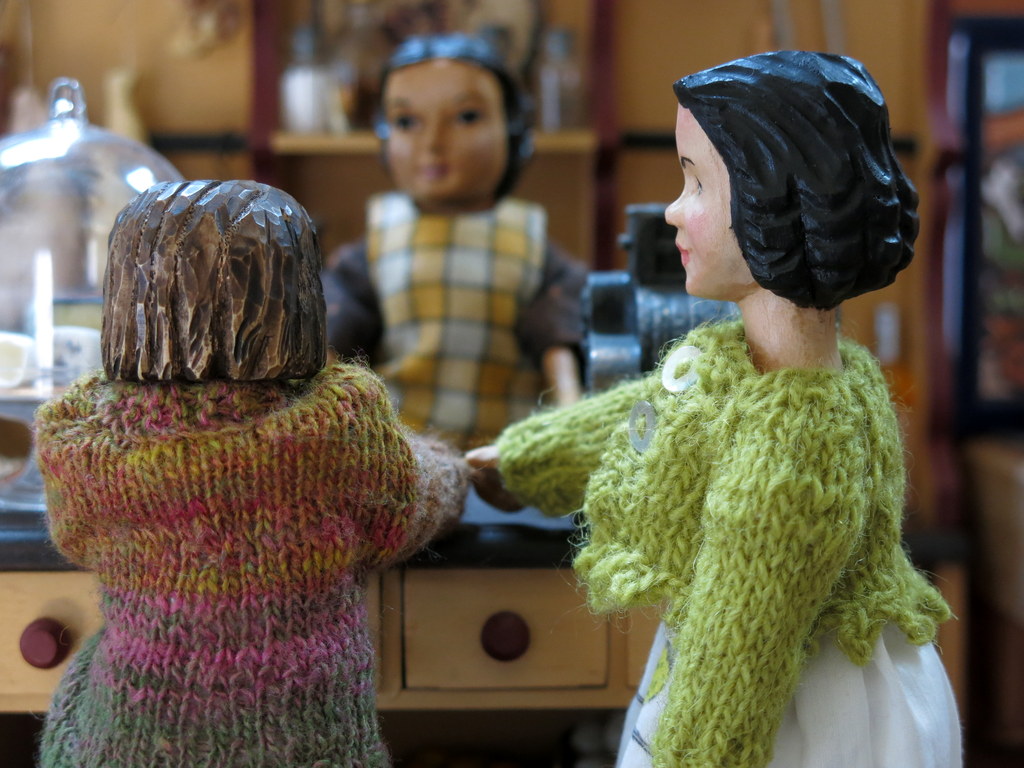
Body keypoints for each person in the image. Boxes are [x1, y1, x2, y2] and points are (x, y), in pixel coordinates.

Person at [468, 51, 962, 768]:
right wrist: (527, 460)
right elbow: (650, 412)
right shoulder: (752, 364)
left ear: (775, 201)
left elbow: (738, 657)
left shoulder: (795, 447)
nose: (673, 208)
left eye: (697, 183)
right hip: (752, 672)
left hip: (808, 713)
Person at [35, 179, 470, 768]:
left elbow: (72, 536)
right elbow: (418, 498)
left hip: (122, 742)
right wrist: (462, 470)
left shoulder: (83, 444)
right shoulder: (336, 431)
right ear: (297, 298)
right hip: (305, 750)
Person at [321, 33, 586, 449]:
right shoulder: (378, 242)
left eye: (466, 117)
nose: (432, 143)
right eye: (406, 122)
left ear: (512, 129)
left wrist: (571, 415)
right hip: (399, 446)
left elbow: (557, 338)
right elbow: (336, 336)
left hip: (503, 444)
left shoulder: (527, 240)